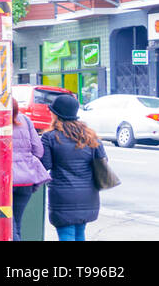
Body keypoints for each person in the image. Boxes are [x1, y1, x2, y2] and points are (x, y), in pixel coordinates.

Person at [38, 94, 107, 241]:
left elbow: (45, 165)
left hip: (62, 195)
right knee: (79, 233)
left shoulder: (50, 137)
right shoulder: (90, 136)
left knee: (66, 235)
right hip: (88, 195)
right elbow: (103, 161)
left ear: (56, 114)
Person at [11, 97, 50, 241]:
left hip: (5, 181)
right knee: (16, 225)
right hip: (26, 181)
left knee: (10, 227)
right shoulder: (26, 120)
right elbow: (38, 150)